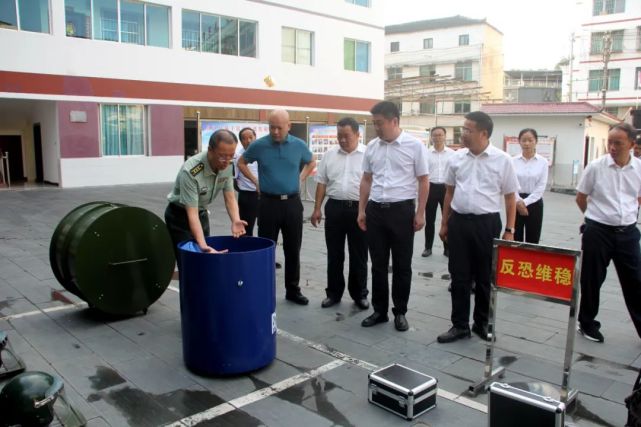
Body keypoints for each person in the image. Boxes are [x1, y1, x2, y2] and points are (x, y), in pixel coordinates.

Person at [437, 111, 518, 343]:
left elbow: (510, 198)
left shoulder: (503, 160)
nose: (463, 134)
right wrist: (444, 223)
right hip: (459, 223)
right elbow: (449, 192)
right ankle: (459, 325)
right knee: (459, 276)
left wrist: (509, 230)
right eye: (463, 129)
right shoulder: (457, 158)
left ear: (484, 133)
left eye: (468, 130)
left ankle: (481, 323)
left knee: (485, 278)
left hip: (487, 224)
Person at [357, 101, 429, 332]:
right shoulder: (372, 147)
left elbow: (423, 180)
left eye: (379, 123)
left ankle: (400, 312)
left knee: (401, 265)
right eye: (374, 123)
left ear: (394, 121)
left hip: (402, 211)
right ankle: (380, 311)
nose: (376, 128)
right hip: (376, 210)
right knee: (377, 264)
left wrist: (420, 212)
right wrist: (361, 210)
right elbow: (366, 179)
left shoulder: (414, 146)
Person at [238, 109, 316, 305]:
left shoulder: (299, 146)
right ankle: (264, 289)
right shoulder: (259, 145)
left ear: (288, 126)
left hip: (292, 203)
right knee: (266, 248)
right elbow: (241, 162)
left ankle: (293, 290)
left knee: (293, 249)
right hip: (267, 204)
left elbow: (311, 160)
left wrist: (301, 177)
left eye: (279, 128)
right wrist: (255, 180)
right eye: (271, 127)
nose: (274, 131)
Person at [576, 122, 641, 343]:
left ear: (632, 144)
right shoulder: (596, 167)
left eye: (618, 143)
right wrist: (593, 219)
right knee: (592, 280)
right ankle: (587, 324)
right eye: (610, 142)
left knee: (636, 281)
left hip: (628, 233)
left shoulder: (639, 168)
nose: (612, 147)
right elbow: (581, 197)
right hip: (598, 232)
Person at [164, 129, 247, 268]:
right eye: (222, 156)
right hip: (180, 216)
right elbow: (192, 214)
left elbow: (230, 197)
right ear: (210, 150)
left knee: (204, 260)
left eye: (231, 156)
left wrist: (236, 220)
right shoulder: (191, 171)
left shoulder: (228, 165)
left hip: (201, 213)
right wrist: (202, 245)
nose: (226, 161)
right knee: (189, 261)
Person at [311, 117, 369, 310]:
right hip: (334, 208)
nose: (342, 140)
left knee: (359, 254)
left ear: (357, 134)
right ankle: (334, 293)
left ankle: (359, 294)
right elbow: (321, 182)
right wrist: (317, 208)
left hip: (359, 210)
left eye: (347, 136)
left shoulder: (368, 154)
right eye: (339, 136)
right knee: (334, 254)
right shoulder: (329, 154)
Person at [422, 126, 455, 257]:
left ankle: (448, 248)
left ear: (445, 136)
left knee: (447, 219)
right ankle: (428, 247)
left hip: (447, 189)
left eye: (440, 135)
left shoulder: (453, 154)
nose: (438, 137)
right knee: (429, 220)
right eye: (435, 135)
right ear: (431, 137)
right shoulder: (426, 153)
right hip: (431, 188)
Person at [513, 128, 548, 244]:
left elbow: (541, 187)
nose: (527, 143)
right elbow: (510, 184)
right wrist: (518, 201)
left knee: (533, 239)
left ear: (536, 141)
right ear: (519, 142)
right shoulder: (513, 161)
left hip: (535, 202)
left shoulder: (543, 162)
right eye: (523, 140)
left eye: (530, 140)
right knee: (515, 237)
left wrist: (525, 203)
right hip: (516, 202)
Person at [234, 127, 259, 236]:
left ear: (255, 138)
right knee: (246, 229)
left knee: (265, 226)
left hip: (264, 196)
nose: (248, 141)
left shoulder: (262, 153)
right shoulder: (238, 157)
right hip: (248, 197)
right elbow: (234, 180)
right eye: (244, 138)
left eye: (251, 137)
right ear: (241, 141)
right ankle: (247, 251)